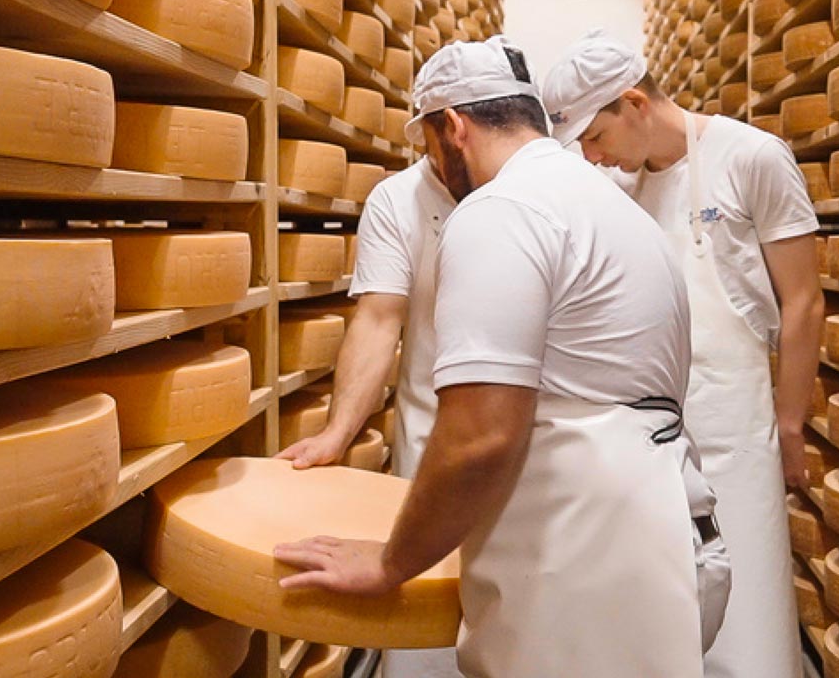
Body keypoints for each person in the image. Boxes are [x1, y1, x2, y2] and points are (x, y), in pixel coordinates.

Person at [274, 37, 720, 678]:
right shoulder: (611, 207)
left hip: (573, 550)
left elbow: (482, 434)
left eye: (429, 142)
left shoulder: (500, 211)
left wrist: (390, 563)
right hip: (658, 525)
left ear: (452, 126)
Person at [540, 31, 824, 678]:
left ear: (634, 103)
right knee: (661, 615)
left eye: (595, 137)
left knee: (747, 603)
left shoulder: (751, 157)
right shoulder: (621, 189)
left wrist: (789, 421)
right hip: (647, 434)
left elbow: (804, 300)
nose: (591, 157)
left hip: (735, 425)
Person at [275, 141, 460, 678]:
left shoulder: (545, 189)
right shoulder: (399, 199)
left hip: (537, 448)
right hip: (433, 435)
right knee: (427, 635)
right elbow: (379, 320)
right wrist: (337, 432)